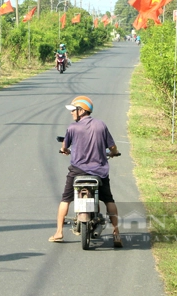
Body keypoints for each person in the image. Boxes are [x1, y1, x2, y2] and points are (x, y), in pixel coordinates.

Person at [49, 96, 122, 248]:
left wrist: (65, 150)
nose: (71, 113)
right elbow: (113, 147)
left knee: (65, 200)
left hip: (77, 171)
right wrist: (113, 153)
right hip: (99, 172)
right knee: (109, 200)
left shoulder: (72, 128)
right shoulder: (101, 125)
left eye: (73, 110)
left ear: (81, 110)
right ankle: (116, 233)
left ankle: (59, 232)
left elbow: (64, 146)